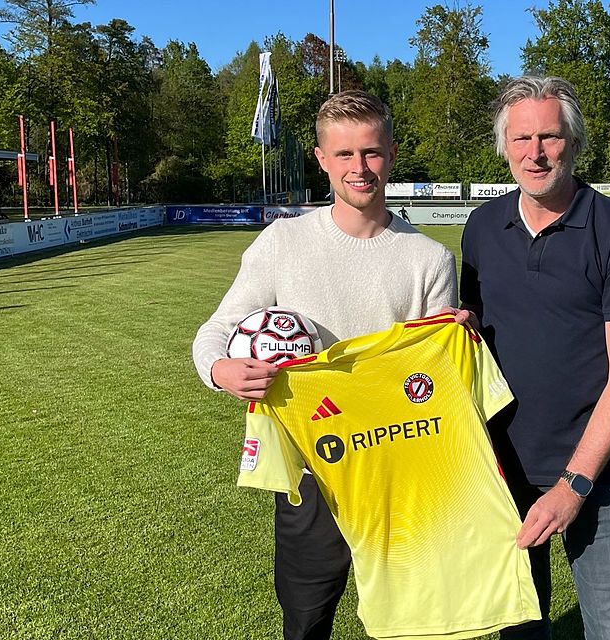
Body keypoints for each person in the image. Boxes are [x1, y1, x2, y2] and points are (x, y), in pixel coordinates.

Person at [193, 90, 457, 640]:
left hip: (397, 472)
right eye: (344, 155)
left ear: (393, 152)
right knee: (306, 623)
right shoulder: (282, 243)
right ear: (321, 158)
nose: (359, 169)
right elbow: (216, 330)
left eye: (372, 152)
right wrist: (222, 370)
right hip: (310, 475)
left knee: (414, 623)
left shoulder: (429, 259)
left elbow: (431, 378)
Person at [458, 76, 610, 640]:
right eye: (522, 138)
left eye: (550, 136)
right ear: (504, 146)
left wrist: (574, 485)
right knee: (521, 629)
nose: (536, 152)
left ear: (573, 142)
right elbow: (470, 334)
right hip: (502, 470)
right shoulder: (480, 227)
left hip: (593, 475)